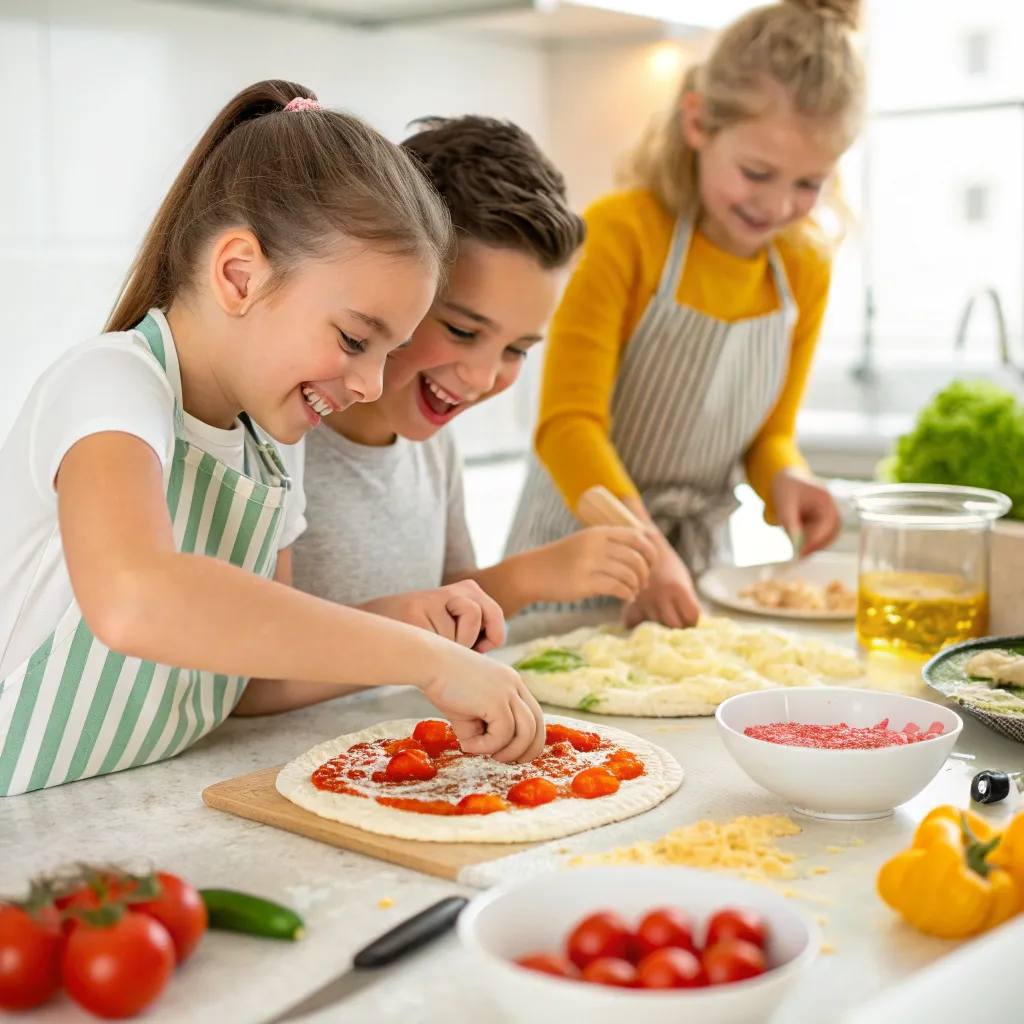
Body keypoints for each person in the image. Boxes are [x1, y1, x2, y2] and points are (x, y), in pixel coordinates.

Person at [0, 81, 543, 798]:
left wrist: (409, 622)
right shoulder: (112, 385)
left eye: (390, 351)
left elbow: (250, 682)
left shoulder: (272, 443)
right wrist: (421, 658)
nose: (372, 383)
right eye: (355, 338)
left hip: (103, 809)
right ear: (239, 274)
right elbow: (137, 598)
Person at [505, 0, 865, 629]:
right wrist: (645, 548)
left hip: (695, 570)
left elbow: (770, 435)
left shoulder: (804, 268)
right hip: (574, 556)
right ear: (698, 123)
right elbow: (567, 427)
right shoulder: (625, 233)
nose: (779, 204)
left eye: (809, 183)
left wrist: (789, 479)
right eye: (757, 172)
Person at [277, 116, 657, 654]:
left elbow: (453, 612)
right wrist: (523, 579)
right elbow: (259, 668)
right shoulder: (281, 436)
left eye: (516, 350)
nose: (481, 379)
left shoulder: (434, 446)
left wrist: (528, 581)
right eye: (461, 330)